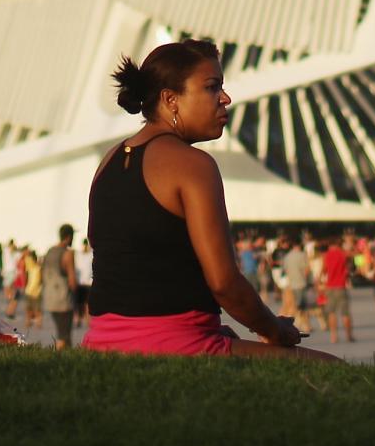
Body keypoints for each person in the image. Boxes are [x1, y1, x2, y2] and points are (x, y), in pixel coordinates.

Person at [79, 38, 334, 360]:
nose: (225, 99)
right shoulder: (192, 165)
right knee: (333, 369)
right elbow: (224, 282)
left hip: (101, 340)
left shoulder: (110, 159)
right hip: (172, 342)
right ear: (171, 99)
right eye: (212, 87)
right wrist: (276, 331)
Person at [42, 223, 79, 348]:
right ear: (69, 237)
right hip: (64, 300)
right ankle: (60, 361)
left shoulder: (50, 251)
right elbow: (72, 280)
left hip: (50, 298)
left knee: (62, 334)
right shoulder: (68, 254)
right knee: (64, 335)